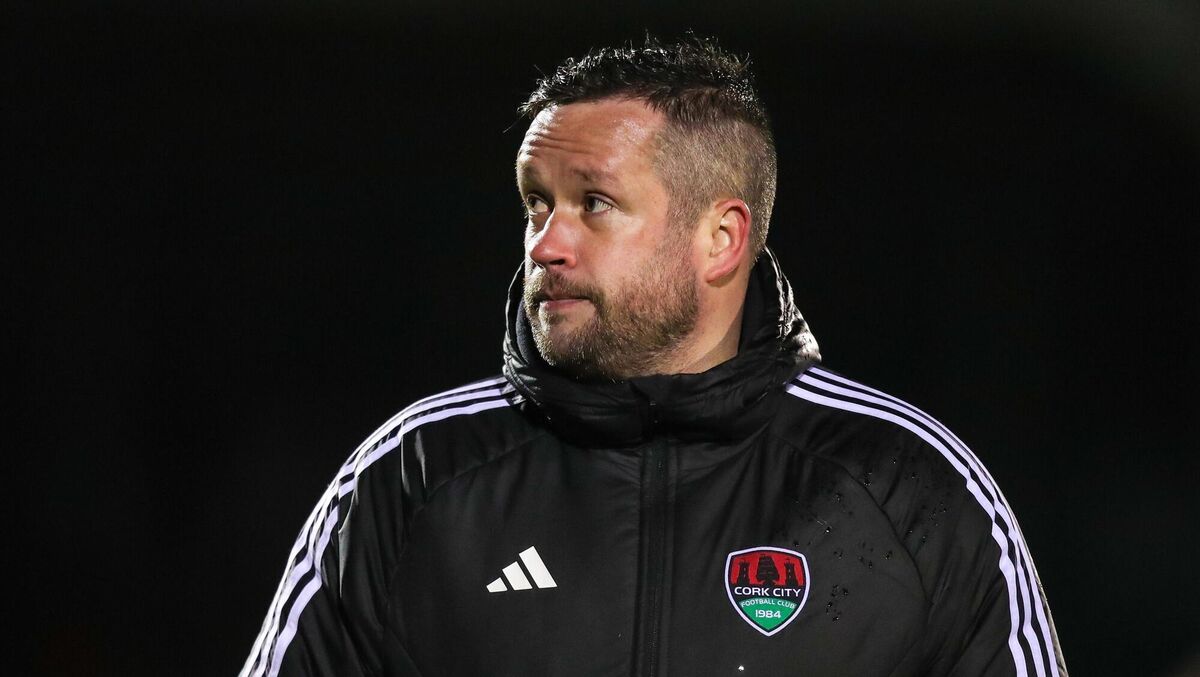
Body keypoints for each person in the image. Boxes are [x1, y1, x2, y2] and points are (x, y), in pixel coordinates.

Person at [240, 37, 1067, 677]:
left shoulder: (907, 489)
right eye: (537, 203)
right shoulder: (412, 478)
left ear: (721, 238)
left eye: (594, 204)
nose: (547, 243)